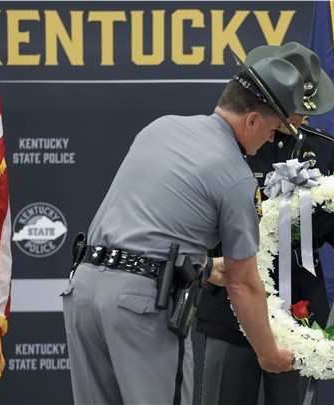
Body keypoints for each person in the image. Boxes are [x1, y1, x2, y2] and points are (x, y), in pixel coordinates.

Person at [61, 56, 305, 405]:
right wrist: (268, 353)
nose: (269, 141)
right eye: (271, 131)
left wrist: (204, 268)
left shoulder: (161, 127)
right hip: (141, 306)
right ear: (252, 120)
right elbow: (243, 281)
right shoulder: (236, 175)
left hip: (83, 292)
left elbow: (148, 229)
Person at [197, 42, 334, 405]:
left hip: (299, 306)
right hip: (229, 301)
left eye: (307, 108)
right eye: (293, 108)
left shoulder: (322, 148)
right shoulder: (226, 140)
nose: (302, 117)